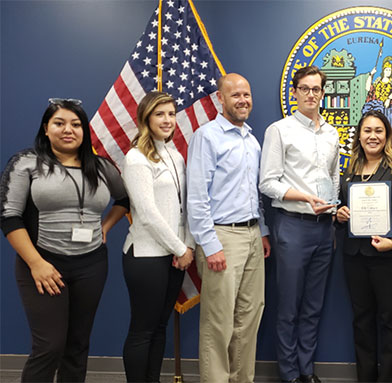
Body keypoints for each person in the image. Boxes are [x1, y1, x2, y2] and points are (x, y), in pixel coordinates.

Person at [0, 98, 129, 382]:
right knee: (49, 346)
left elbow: (124, 199)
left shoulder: (102, 167)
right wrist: (36, 263)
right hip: (43, 264)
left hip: (91, 265)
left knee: (77, 345)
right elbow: (9, 217)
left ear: (84, 130)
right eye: (59, 123)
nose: (67, 129)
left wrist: (105, 225)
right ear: (46, 128)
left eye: (76, 124)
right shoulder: (26, 162)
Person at [187, 73, 271, 383]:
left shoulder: (251, 139)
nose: (243, 100)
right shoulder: (206, 136)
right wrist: (210, 245)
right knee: (218, 322)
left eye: (246, 94)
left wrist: (261, 231)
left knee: (249, 317)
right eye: (235, 95)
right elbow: (196, 198)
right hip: (221, 237)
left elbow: (253, 192)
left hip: (250, 235)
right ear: (220, 99)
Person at [259, 65, 339, 383]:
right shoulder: (279, 130)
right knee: (289, 306)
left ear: (323, 93)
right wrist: (305, 198)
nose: (310, 94)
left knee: (313, 306)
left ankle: (307, 370)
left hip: (324, 228)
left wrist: (333, 208)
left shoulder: (331, 133)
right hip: (292, 226)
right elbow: (268, 182)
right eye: (304, 88)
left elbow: (333, 175)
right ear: (294, 92)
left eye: (316, 89)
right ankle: (290, 374)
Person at [336, 110, 392, 382]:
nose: (372, 136)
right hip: (355, 256)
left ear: (387, 135)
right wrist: (340, 214)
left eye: (378, 131)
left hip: (390, 258)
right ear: (359, 135)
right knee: (361, 321)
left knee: (391, 322)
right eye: (367, 131)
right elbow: (339, 208)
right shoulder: (350, 169)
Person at [120, 91, 195, 382]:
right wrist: (181, 247)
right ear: (146, 119)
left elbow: (183, 204)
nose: (167, 120)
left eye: (171, 114)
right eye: (159, 114)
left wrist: (185, 246)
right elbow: (148, 213)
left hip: (174, 256)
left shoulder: (174, 154)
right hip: (146, 256)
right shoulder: (136, 157)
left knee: (160, 327)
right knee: (143, 330)